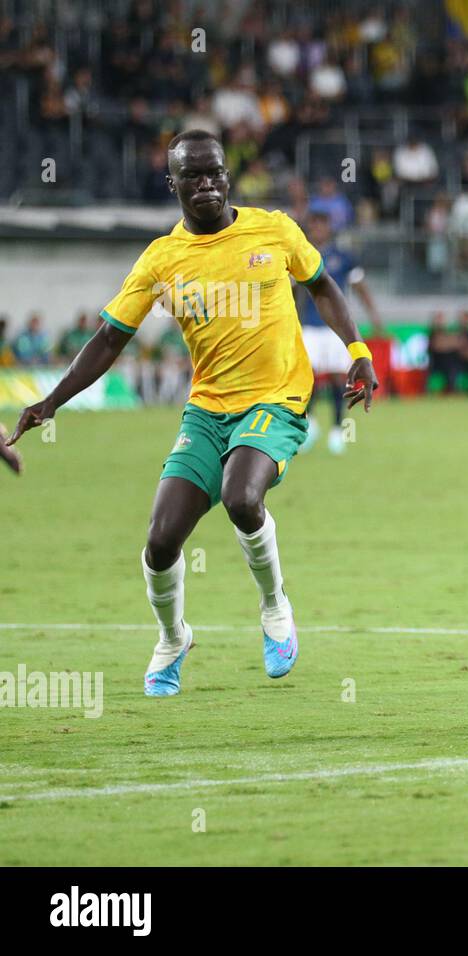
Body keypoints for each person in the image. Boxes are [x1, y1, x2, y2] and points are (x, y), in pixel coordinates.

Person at [6, 130, 379, 697]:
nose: (206, 184)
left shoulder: (274, 229)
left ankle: (276, 607)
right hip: (207, 409)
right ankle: (173, 638)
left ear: (228, 176)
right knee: (160, 541)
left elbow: (322, 284)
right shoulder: (162, 259)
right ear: (172, 184)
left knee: (241, 496)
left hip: (276, 398)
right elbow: (110, 338)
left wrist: (357, 350)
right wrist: (50, 401)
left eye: (215, 173)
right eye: (193, 175)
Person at [297, 211, 384, 454]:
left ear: (328, 228)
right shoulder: (301, 254)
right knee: (308, 379)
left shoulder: (343, 257)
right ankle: (309, 424)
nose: (317, 230)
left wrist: (373, 315)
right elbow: (292, 292)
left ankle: (336, 430)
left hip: (336, 329)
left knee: (338, 378)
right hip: (309, 327)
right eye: (313, 225)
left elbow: (359, 287)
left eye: (321, 225)